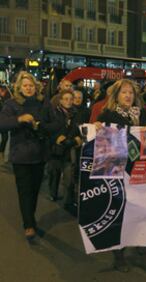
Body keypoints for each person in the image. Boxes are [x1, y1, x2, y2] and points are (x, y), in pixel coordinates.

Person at [95, 79, 146, 274]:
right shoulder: (108, 114)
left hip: (141, 170)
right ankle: (119, 256)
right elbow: (105, 147)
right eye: (124, 92)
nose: (128, 96)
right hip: (118, 170)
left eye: (131, 92)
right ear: (116, 95)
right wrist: (97, 127)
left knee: (144, 212)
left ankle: (143, 253)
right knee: (120, 213)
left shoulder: (144, 114)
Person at [0, 71, 49, 241]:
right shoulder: (11, 104)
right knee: (24, 191)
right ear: (19, 88)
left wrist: (42, 126)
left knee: (34, 191)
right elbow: (2, 124)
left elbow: (52, 122)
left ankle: (31, 219)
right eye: (25, 86)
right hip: (21, 155)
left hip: (39, 154)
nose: (28, 88)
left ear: (36, 88)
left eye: (31, 86)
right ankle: (28, 225)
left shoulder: (42, 103)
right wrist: (20, 119)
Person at [45, 90, 82, 216]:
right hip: (55, 150)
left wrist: (77, 139)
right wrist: (57, 138)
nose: (69, 101)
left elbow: (78, 130)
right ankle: (53, 193)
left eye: (70, 99)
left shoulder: (76, 114)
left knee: (69, 177)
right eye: (65, 99)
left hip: (69, 149)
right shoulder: (53, 113)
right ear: (60, 100)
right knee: (54, 174)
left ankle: (68, 202)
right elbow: (50, 131)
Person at [0, 84, 11, 161]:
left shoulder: (5, 98)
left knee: (5, 137)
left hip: (2, 121)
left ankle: (1, 153)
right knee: (4, 137)